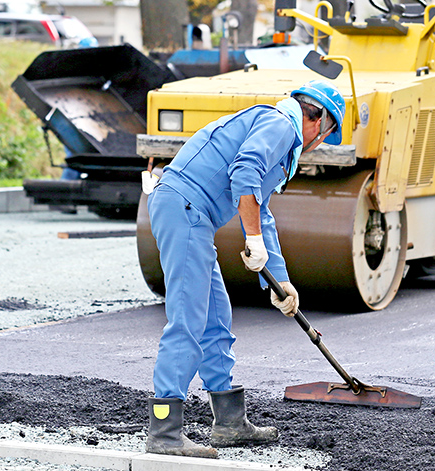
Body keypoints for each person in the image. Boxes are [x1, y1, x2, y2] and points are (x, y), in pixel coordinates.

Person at [144, 80, 346, 458]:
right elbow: (244, 175)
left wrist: (280, 281)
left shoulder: (278, 133)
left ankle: (229, 422)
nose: (319, 145)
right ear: (320, 123)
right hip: (183, 207)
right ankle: (164, 431)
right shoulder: (281, 125)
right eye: (326, 136)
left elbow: (262, 211)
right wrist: (251, 238)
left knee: (216, 318)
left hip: (192, 214)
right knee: (188, 318)